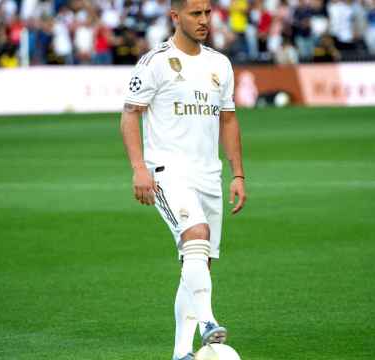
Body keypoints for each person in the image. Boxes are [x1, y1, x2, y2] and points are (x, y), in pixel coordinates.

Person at [119, 0, 247, 358]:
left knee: (198, 262)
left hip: (209, 175)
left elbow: (228, 119)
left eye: (207, 13)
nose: (204, 20)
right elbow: (130, 114)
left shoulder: (220, 64)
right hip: (167, 171)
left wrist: (237, 173)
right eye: (195, 13)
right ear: (175, 17)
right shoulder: (155, 62)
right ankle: (208, 322)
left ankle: (180, 353)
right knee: (196, 235)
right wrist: (138, 168)